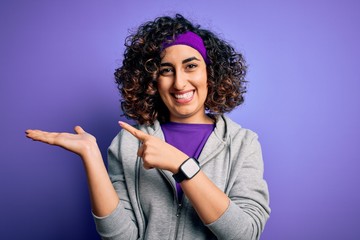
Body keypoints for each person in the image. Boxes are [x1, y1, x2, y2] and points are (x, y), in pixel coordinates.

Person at [26, 14, 270, 240]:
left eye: (191, 66)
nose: (179, 82)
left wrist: (183, 167)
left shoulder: (242, 143)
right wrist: (91, 156)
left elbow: (244, 234)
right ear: (153, 80)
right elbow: (121, 237)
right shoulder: (129, 142)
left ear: (211, 73)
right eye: (166, 70)